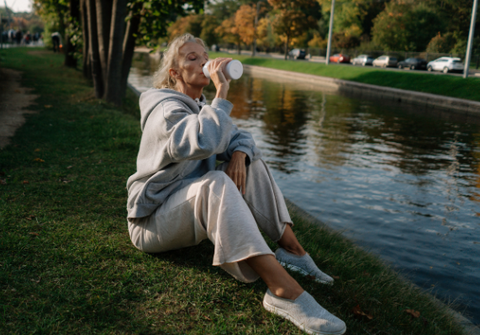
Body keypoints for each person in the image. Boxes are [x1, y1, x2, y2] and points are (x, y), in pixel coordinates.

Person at [126, 33, 346, 335]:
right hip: (151, 222)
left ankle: (292, 251)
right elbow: (205, 139)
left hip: (184, 208)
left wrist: (240, 154)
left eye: (204, 57)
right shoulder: (166, 110)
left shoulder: (202, 107)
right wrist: (223, 92)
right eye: (192, 58)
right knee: (216, 180)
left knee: (250, 162)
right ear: (174, 73)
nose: (204, 62)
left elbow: (240, 137)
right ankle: (282, 292)